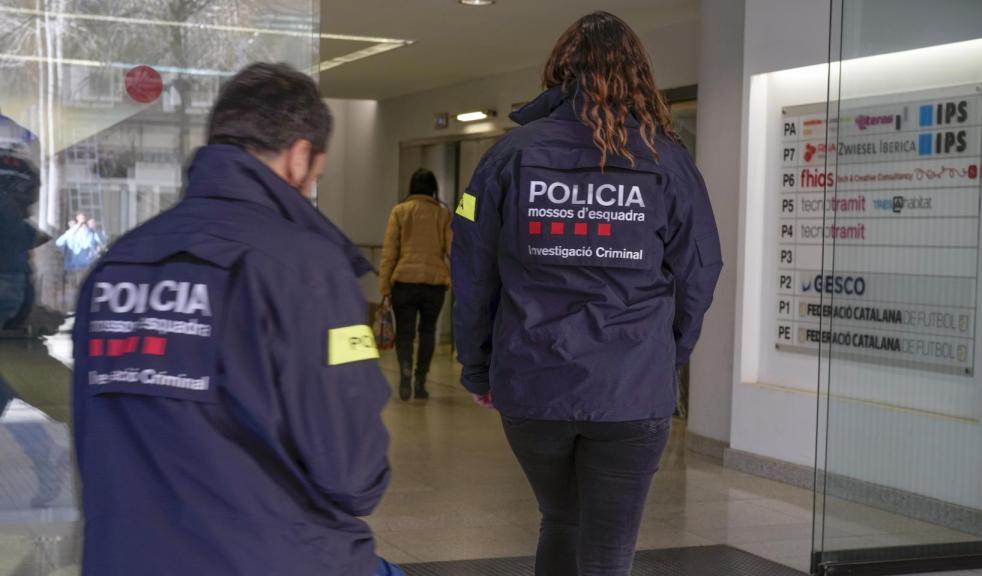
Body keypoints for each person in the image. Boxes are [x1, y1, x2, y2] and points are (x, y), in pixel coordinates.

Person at [72, 63, 404, 576]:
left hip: (122, 558)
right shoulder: (307, 267)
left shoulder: (117, 264)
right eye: (317, 176)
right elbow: (353, 475)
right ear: (299, 157)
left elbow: (93, 439)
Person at [451, 12, 723, 576]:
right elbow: (701, 270)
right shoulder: (667, 161)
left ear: (561, 70)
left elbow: (472, 269)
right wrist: (665, 357)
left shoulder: (509, 156)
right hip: (630, 387)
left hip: (533, 382)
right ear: (639, 75)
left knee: (560, 519)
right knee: (607, 552)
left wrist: (478, 367)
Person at [379, 168, 452, 401]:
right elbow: (453, 250)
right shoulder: (443, 214)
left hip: (404, 282)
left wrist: (385, 286)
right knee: (428, 331)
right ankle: (421, 381)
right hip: (434, 283)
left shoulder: (400, 211)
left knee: (405, 332)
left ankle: (405, 374)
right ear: (433, 189)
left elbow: (389, 252)